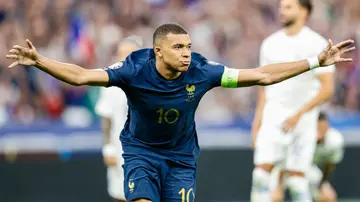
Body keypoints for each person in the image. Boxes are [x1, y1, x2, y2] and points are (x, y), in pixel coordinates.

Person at [5, 23, 354, 202]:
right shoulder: (132, 68)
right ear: (158, 51)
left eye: (188, 46)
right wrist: (39, 61)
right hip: (141, 152)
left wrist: (314, 62)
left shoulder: (203, 71)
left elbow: (261, 75)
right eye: (178, 47)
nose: (187, 53)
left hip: (182, 159)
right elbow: (81, 76)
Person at [251, 0, 340, 201]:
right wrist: (257, 122)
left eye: (288, 7)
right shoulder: (270, 43)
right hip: (273, 118)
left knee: (297, 181)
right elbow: (263, 84)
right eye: (281, 7)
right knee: (260, 175)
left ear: (304, 11)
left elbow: (328, 89)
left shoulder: (316, 44)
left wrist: (299, 114)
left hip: (303, 122)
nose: (282, 11)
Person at [95, 35, 143, 202]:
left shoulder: (152, 79)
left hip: (147, 151)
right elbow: (106, 118)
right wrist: (108, 148)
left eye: (128, 54)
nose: (123, 59)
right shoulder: (111, 81)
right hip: (121, 149)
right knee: (121, 194)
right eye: (121, 54)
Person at [271, 112, 344, 202]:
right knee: (275, 197)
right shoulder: (298, 135)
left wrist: (321, 185)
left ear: (328, 127)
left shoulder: (334, 141)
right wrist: (279, 187)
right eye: (317, 128)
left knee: (328, 197)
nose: (320, 131)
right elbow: (282, 163)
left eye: (323, 128)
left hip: (307, 168)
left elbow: (329, 165)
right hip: (284, 169)